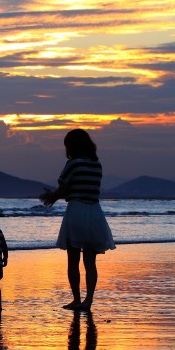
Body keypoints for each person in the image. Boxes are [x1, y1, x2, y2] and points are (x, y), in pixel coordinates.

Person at [40, 128, 115, 311]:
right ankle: (88, 300)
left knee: (73, 259)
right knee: (90, 262)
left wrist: (51, 196)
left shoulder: (72, 164)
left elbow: (64, 188)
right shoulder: (97, 165)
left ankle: (76, 299)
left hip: (77, 210)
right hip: (95, 212)